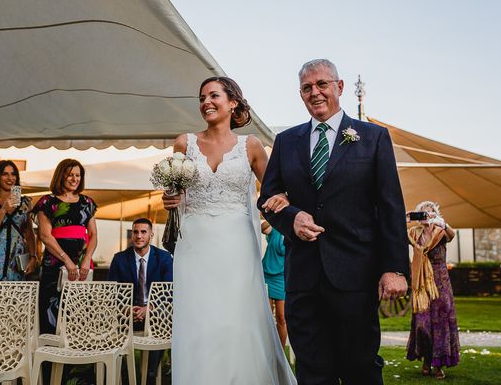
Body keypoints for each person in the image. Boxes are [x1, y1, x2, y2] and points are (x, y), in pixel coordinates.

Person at [258, 58, 410, 384]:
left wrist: (395, 268)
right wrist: (292, 217)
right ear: (300, 94)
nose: (315, 92)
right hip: (303, 277)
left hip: (355, 275)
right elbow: (268, 199)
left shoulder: (373, 138)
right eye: (306, 88)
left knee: (361, 369)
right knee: (312, 372)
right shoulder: (286, 142)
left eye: (322, 84)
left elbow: (390, 208)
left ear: (338, 87)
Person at [162, 76, 296, 384]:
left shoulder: (250, 145)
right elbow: (174, 193)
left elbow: (276, 192)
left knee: (237, 317)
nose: (205, 102)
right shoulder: (184, 142)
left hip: (237, 243)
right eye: (201, 98)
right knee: (199, 318)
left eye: (213, 95)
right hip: (194, 242)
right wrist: (169, 198)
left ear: (232, 102)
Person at [32, 159, 98, 334]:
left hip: (82, 265)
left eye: (78, 175)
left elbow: (93, 235)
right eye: (70, 175)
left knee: (78, 313)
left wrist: (86, 260)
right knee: (50, 313)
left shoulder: (88, 202)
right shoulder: (47, 202)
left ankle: (76, 359)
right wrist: (67, 261)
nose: (74, 179)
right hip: (54, 264)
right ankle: (48, 357)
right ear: (61, 176)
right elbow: (45, 236)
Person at [108, 217, 173, 384]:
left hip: (154, 313)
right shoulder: (120, 259)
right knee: (111, 320)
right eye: (135, 232)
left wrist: (149, 309)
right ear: (132, 236)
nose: (139, 236)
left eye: (143, 232)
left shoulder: (164, 258)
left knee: (161, 318)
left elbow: (168, 292)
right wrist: (126, 308)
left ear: (151, 235)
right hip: (126, 314)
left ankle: (151, 373)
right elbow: (112, 292)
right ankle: (122, 373)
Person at [406, 201, 460, 379]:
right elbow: (396, 235)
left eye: (428, 213)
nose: (424, 217)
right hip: (421, 283)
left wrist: (442, 223)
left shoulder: (440, 232)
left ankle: (437, 365)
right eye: (421, 213)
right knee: (422, 324)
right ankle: (426, 359)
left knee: (440, 323)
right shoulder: (414, 233)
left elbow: (452, 235)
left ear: (435, 215)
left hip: (440, 283)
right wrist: (403, 220)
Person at [261, 220, 288, 347]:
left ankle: (280, 353)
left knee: (281, 318)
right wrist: (274, 217)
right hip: (267, 276)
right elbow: (262, 228)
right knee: (267, 317)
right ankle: (267, 349)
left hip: (281, 278)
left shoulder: (291, 233)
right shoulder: (274, 230)